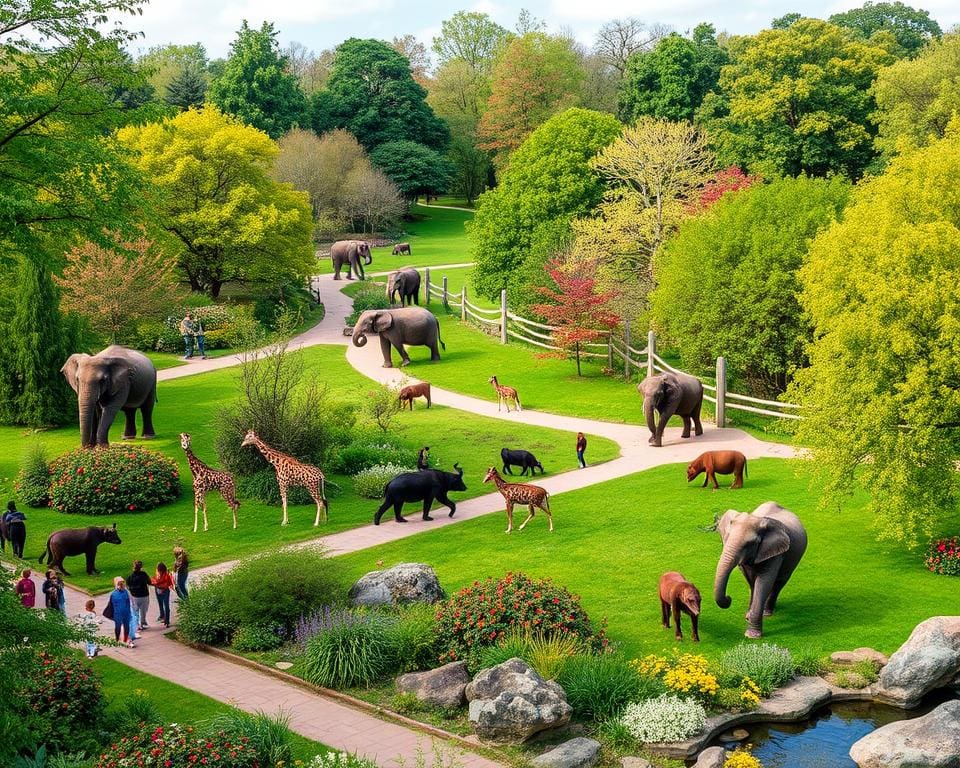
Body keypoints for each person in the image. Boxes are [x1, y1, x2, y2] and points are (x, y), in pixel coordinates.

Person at [109, 577, 134, 647]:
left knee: (121, 627)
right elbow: (128, 603)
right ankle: (122, 639)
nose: (121, 586)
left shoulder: (115, 594)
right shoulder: (124, 593)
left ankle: (120, 639)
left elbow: (113, 604)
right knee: (123, 627)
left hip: (120, 613)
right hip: (122, 613)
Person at [127, 560, 151, 633]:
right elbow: (149, 582)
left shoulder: (130, 576)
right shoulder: (143, 575)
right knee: (143, 611)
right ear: (141, 567)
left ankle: (136, 625)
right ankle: (143, 622)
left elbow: (128, 585)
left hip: (135, 596)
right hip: (144, 595)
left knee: (135, 611)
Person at [153, 561, 174, 628]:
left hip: (163, 591)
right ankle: (163, 616)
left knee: (166, 606)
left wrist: (157, 583)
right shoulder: (159, 575)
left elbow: (168, 584)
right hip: (160, 591)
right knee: (161, 604)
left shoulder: (165, 576)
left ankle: (166, 621)